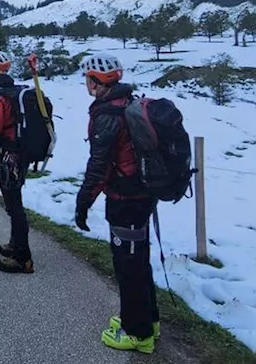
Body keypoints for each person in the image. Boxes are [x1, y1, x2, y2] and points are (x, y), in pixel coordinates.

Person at [74, 53, 160, 354]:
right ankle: (148, 319)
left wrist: (83, 201)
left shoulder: (108, 115)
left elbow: (99, 165)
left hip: (126, 199)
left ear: (96, 82)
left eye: (87, 78)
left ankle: (139, 334)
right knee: (138, 258)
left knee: (127, 264)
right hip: (142, 195)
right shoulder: (127, 103)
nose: (86, 83)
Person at [0, 50, 34, 274]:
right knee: (15, 202)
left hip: (8, 156)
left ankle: (23, 259)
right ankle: (15, 244)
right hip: (21, 154)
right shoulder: (17, 91)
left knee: (14, 206)